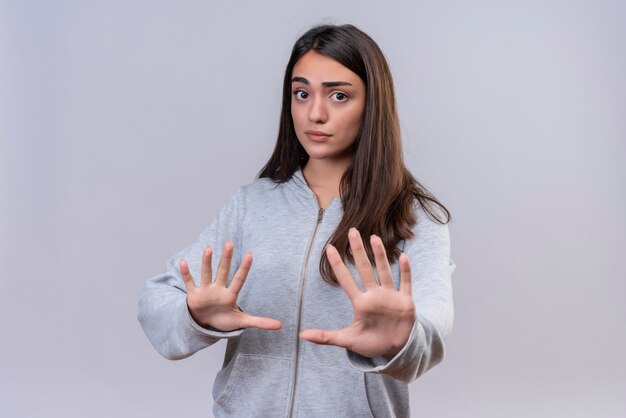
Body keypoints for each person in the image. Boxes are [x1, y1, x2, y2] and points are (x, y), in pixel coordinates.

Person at [138, 23, 455, 418]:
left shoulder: (416, 217)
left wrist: (400, 341)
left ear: (372, 104)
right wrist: (195, 315)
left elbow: (432, 328)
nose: (315, 113)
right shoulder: (252, 205)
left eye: (339, 96)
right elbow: (156, 302)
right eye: (301, 94)